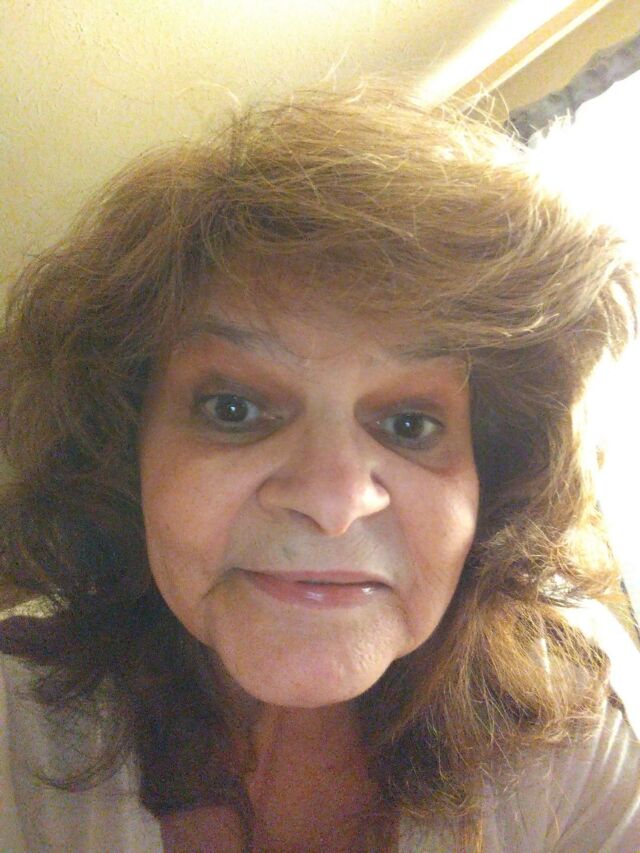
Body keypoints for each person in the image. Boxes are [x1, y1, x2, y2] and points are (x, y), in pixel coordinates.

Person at [1, 81, 639, 853]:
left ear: (492, 478)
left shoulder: (574, 728)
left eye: (409, 424)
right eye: (234, 407)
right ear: (122, 447)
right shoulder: (14, 727)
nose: (334, 503)